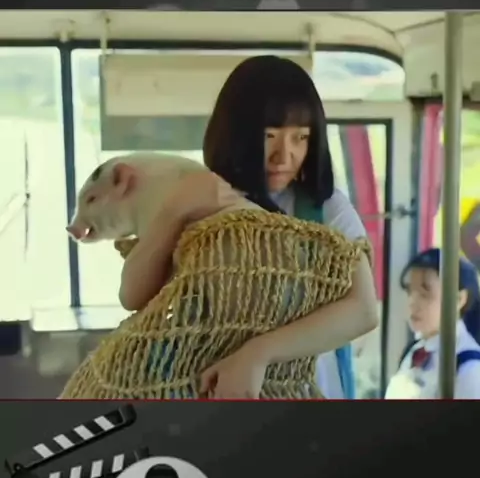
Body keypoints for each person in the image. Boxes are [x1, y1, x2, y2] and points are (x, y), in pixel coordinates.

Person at [119, 55, 379, 399]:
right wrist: (175, 210)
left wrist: (258, 354)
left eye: (300, 138)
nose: (284, 156)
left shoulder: (324, 209)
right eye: (270, 136)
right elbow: (132, 296)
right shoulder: (201, 198)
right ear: (235, 134)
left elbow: (364, 310)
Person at [384, 247, 480, 399]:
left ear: (458, 299)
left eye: (424, 294)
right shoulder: (414, 351)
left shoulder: (470, 368)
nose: (412, 302)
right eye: (409, 292)